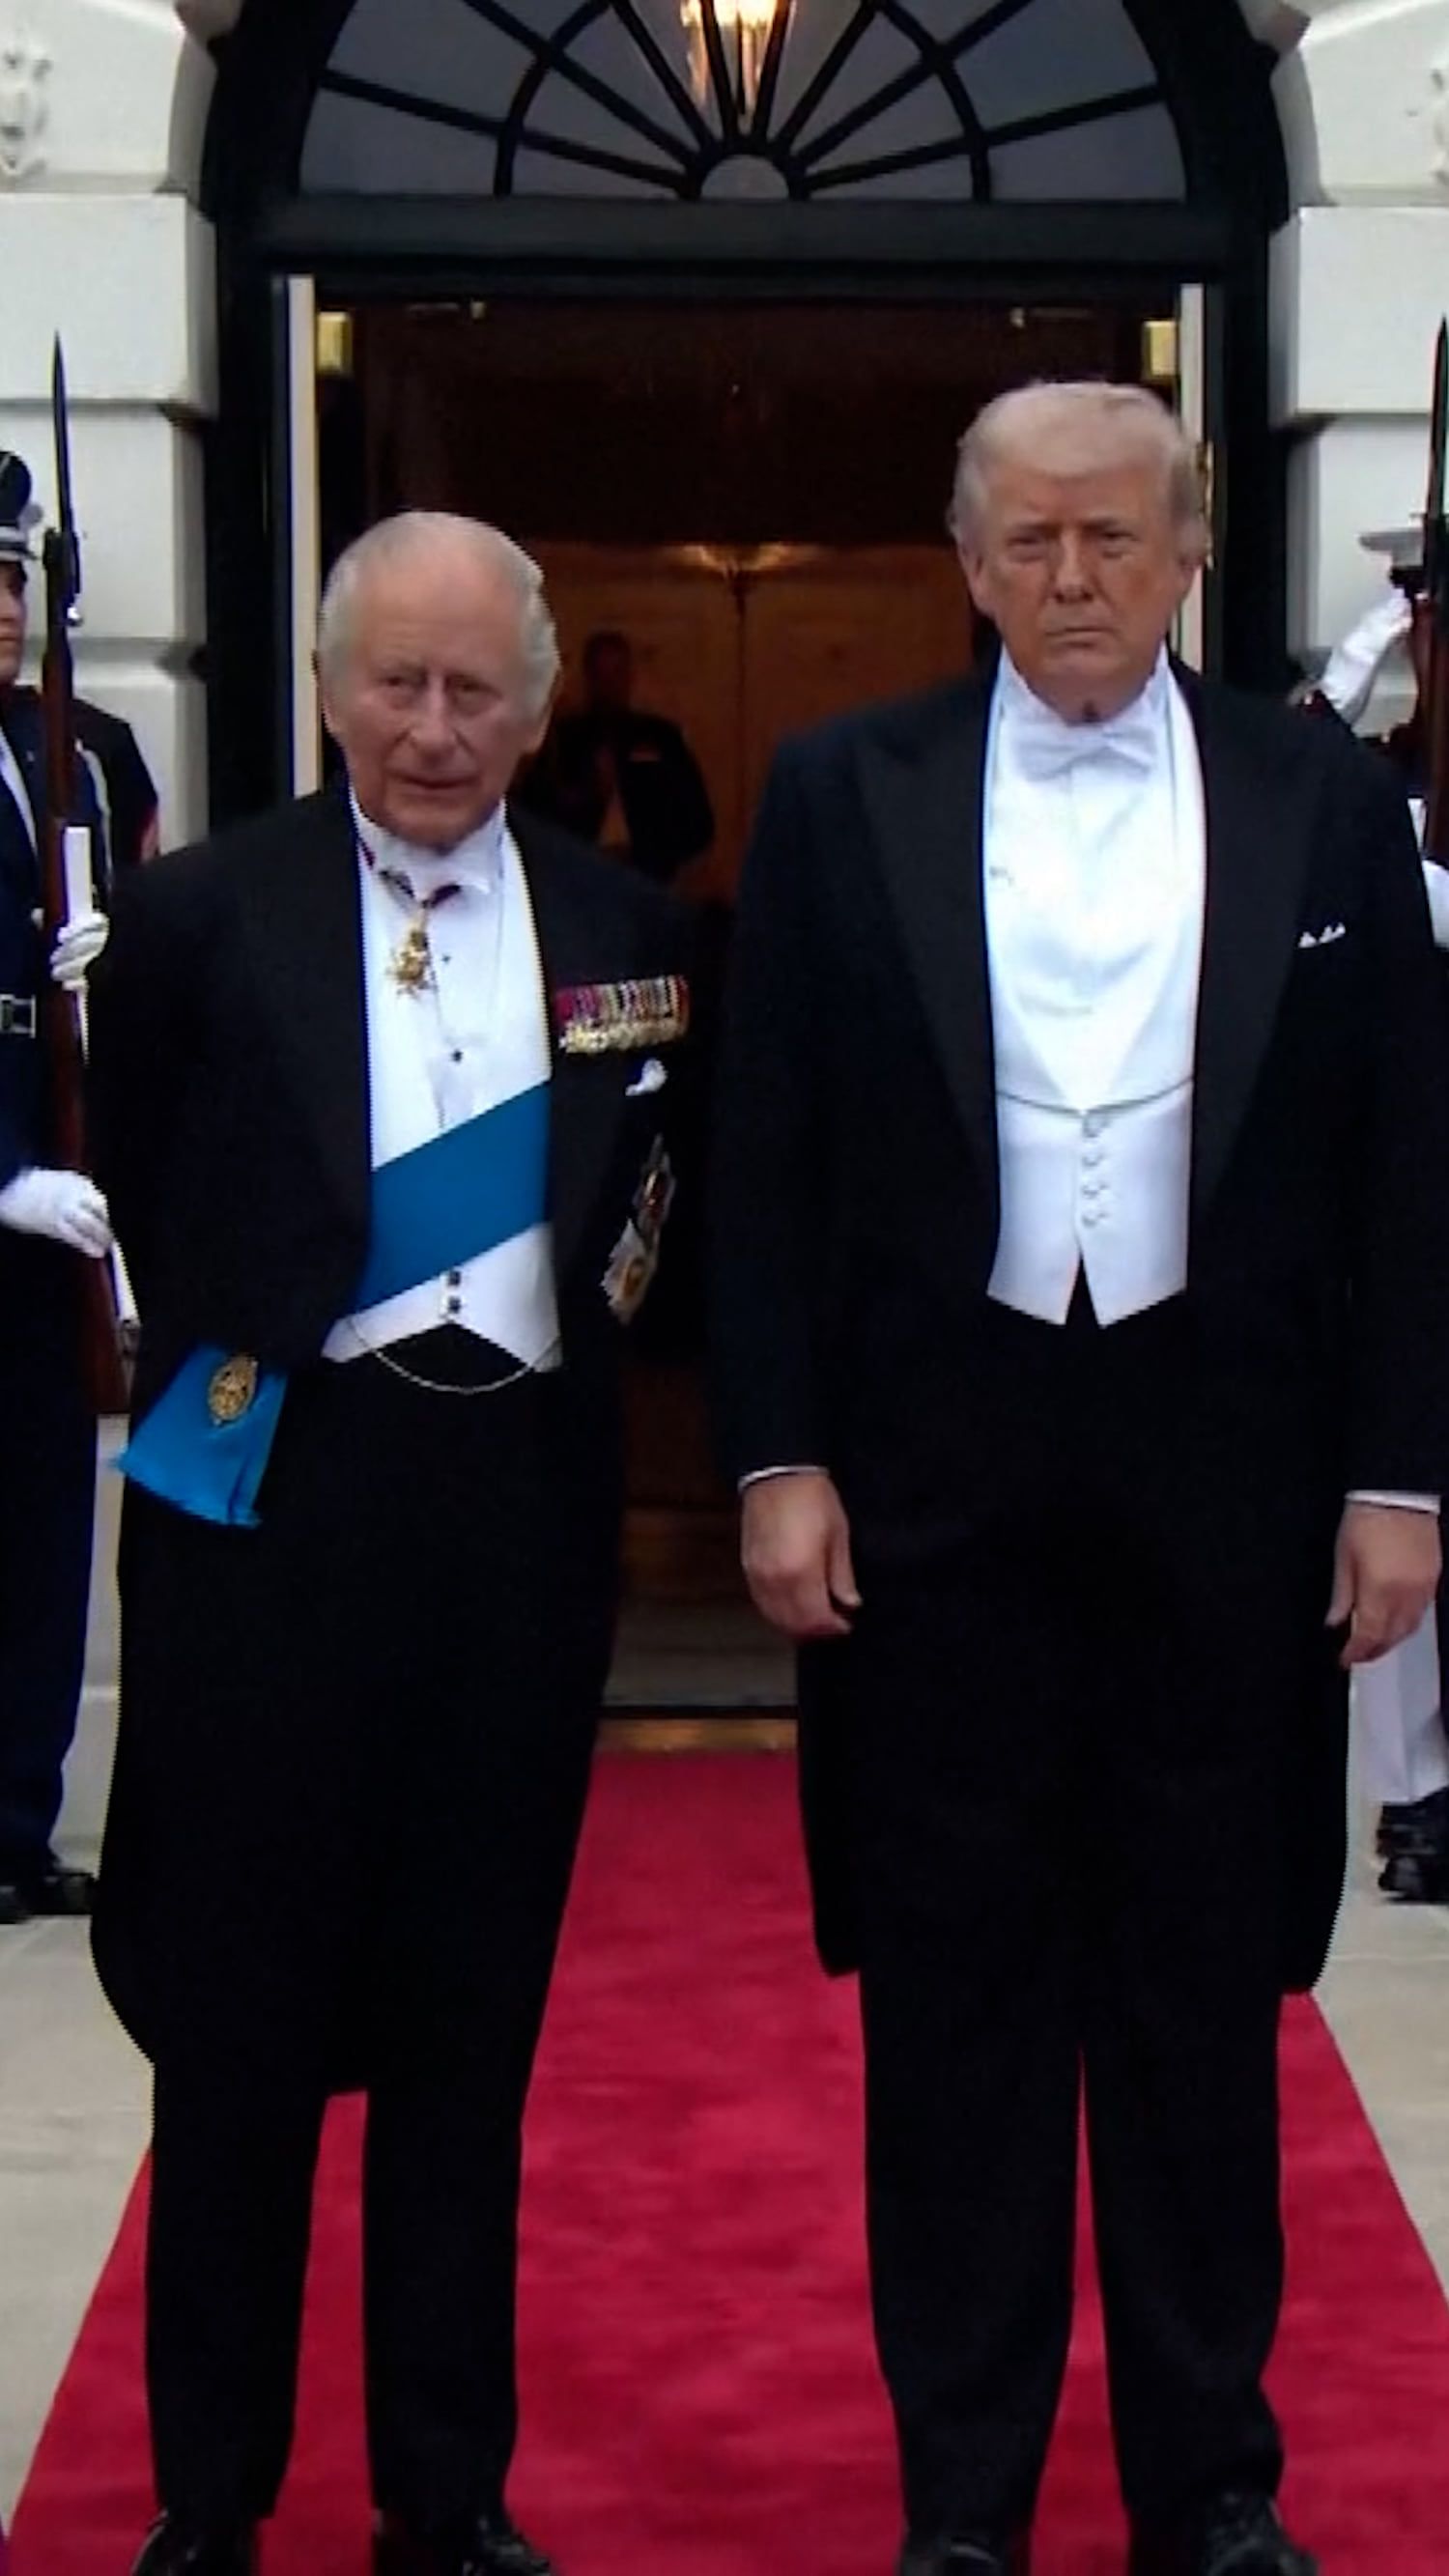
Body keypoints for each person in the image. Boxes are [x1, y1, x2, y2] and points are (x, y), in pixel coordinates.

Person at [711, 382, 1449, 2576]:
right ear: (964, 560)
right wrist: (777, 1456)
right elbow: (769, 1159)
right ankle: (964, 2510)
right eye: (1027, 542)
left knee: (1202, 2010)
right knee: (955, 2019)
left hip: (1230, 1490)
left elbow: (1409, 1169)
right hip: (935, 1496)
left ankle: (1210, 2492)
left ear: (1189, 552)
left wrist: (1400, 1475)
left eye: (1111, 541)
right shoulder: (848, 793)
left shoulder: (1326, 798)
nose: (1069, 583)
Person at [85, 513, 694, 2576]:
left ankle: (445, 2492)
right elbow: (163, 1206)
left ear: (537, 707)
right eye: (396, 683)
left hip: (513, 1523)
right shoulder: (191, 921)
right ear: (330, 684)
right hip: (279, 1512)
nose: (434, 729)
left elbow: (658, 1204)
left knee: (467, 2034)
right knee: (239, 2039)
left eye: (475, 690)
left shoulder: (631, 928)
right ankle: (212, 2497)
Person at [1305, 532, 1449, 1905]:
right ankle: (1415, 1795)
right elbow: (1301, 745)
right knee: (1401, 1479)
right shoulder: (1371, 804)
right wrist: (1375, 638)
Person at [0, 449, 131, 1925]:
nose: (4, 607)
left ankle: (16, 1820)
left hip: (51, 1199)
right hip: (1, 1182)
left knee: (43, 1531)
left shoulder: (70, 755)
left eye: (15, 581)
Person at [521, 628, 714, 885]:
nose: (608, 685)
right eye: (600, 675)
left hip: (647, 878)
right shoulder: (561, 740)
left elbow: (697, 821)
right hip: (578, 877)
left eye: (616, 673)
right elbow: (534, 816)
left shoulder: (659, 737)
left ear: (629, 676)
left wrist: (655, 851)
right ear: (588, 677)